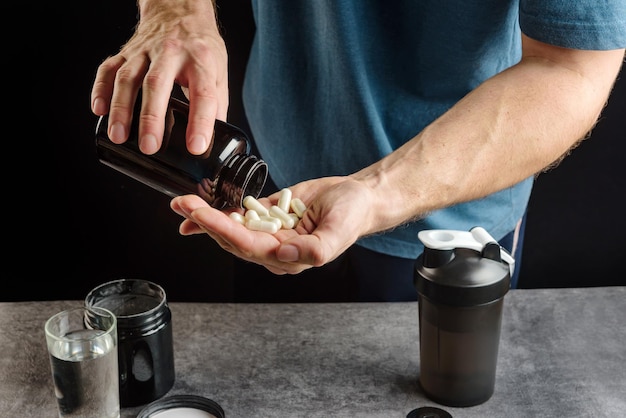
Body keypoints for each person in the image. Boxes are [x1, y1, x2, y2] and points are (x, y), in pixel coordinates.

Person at [91, 1, 625, 302]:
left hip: (449, 223)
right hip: (273, 190)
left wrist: (374, 192)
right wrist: (175, 9)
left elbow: (571, 66)